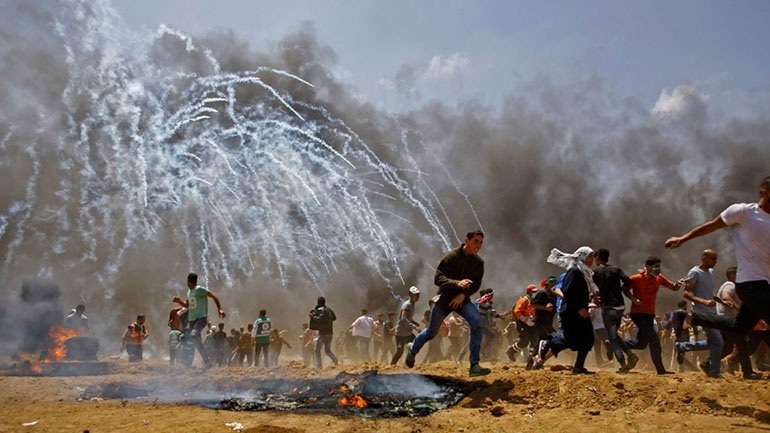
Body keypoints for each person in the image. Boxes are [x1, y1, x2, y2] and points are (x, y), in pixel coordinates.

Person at [665, 176, 770, 380]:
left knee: (738, 327)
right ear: (764, 192)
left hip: (764, 284)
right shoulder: (743, 212)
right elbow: (712, 226)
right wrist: (683, 238)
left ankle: (688, 318)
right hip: (750, 284)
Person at [406, 229, 491, 377]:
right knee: (431, 332)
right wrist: (457, 284)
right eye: (476, 241)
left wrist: (462, 295)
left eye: (481, 242)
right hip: (444, 300)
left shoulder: (479, 262)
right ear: (467, 240)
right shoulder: (451, 257)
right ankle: (413, 349)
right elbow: (438, 279)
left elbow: (476, 285)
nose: (478, 245)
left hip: (463, 301)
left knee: (477, 324)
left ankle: (474, 365)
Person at [532, 247, 597, 374]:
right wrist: (579, 309)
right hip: (571, 312)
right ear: (582, 256)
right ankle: (548, 342)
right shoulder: (575, 271)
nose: (592, 259)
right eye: (590, 256)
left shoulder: (584, 273)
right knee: (570, 338)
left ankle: (578, 367)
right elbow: (567, 293)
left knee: (586, 338)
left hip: (578, 310)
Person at [624, 257, 681, 375]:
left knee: (641, 344)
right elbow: (624, 289)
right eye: (656, 266)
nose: (658, 269)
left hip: (650, 315)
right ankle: (661, 370)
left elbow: (673, 287)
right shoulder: (636, 278)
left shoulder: (659, 278)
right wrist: (633, 299)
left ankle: (617, 343)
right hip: (638, 314)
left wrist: (678, 284)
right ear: (648, 267)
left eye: (659, 266)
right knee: (654, 339)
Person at [674, 249, 723, 378]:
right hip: (701, 312)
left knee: (714, 342)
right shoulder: (695, 272)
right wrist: (704, 302)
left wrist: (720, 301)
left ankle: (683, 347)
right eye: (713, 259)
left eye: (716, 259)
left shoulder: (711, 273)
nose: (715, 262)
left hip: (712, 311)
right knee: (718, 342)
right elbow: (687, 293)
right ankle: (714, 371)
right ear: (704, 257)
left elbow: (706, 294)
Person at [591, 248, 639, 372]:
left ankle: (622, 363)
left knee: (612, 338)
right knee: (614, 335)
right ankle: (631, 355)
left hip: (607, 307)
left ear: (597, 258)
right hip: (620, 306)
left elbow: (592, 287)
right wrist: (621, 289)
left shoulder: (595, 272)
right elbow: (628, 281)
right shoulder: (616, 270)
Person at [173, 272, 226, 369]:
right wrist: (179, 301)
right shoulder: (189, 292)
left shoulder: (199, 289)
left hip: (201, 318)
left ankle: (206, 361)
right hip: (192, 320)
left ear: (189, 281)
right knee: (195, 340)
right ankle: (207, 362)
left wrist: (219, 309)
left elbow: (214, 296)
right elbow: (188, 305)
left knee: (194, 335)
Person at [391, 286, 421, 364]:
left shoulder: (412, 304)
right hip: (401, 333)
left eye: (418, 294)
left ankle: (408, 361)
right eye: (416, 294)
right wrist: (414, 327)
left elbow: (408, 318)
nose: (418, 296)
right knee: (399, 352)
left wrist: (415, 322)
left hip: (407, 332)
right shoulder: (407, 305)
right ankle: (392, 365)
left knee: (415, 343)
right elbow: (403, 318)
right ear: (411, 295)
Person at [309, 296, 339, 367]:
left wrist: (312, 317)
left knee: (317, 350)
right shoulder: (329, 310)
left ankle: (319, 366)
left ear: (318, 302)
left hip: (323, 334)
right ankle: (336, 362)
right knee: (327, 350)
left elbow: (320, 319)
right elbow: (334, 318)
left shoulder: (320, 309)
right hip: (330, 333)